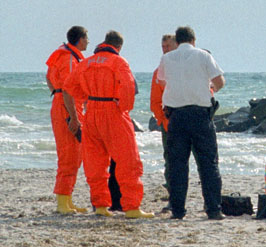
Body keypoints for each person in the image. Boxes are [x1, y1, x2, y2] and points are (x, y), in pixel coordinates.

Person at [62, 30, 153, 218]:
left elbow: (69, 87)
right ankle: (132, 208)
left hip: (92, 112)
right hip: (113, 111)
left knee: (95, 162)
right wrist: (124, 107)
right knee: (129, 162)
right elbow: (128, 87)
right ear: (118, 47)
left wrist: (87, 97)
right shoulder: (119, 62)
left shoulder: (86, 62)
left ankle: (101, 206)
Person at [157, 26, 225, 220]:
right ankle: (213, 209)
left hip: (176, 115)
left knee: (177, 164)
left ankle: (178, 210)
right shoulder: (203, 55)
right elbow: (219, 81)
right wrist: (208, 87)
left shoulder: (166, 58)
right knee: (208, 164)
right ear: (194, 40)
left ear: (177, 42)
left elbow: (161, 82)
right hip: (200, 114)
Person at [45, 26, 90, 214]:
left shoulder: (63, 55)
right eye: (87, 38)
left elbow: (49, 77)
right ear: (80, 40)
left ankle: (67, 200)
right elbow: (68, 89)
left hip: (61, 104)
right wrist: (73, 116)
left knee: (73, 154)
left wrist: (55, 93)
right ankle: (63, 202)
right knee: (69, 155)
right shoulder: (70, 59)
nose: (88, 42)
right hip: (67, 106)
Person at [150, 34, 179, 211]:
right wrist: (162, 120)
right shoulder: (158, 72)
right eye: (163, 47)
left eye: (168, 46)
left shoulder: (187, 67)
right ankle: (173, 198)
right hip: (169, 124)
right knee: (170, 162)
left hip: (189, 120)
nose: (165, 50)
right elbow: (155, 101)